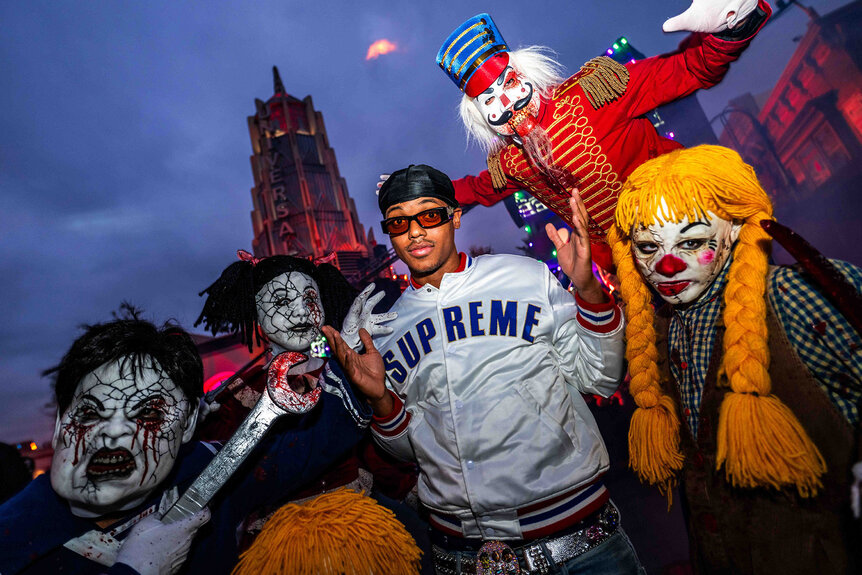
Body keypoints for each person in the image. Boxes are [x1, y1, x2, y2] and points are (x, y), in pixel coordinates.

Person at [325, 164, 641, 574]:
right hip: (463, 552)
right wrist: (381, 400)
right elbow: (410, 451)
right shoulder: (383, 331)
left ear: (455, 217)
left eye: (429, 215)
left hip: (580, 542)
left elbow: (599, 377)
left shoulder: (524, 276)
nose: (415, 231)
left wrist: (588, 291)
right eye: (400, 222)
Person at [607, 145, 862, 574]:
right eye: (649, 247)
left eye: (691, 242)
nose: (667, 265)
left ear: (734, 231)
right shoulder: (662, 331)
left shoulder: (794, 294)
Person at [0, 317, 372, 574]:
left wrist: (354, 377)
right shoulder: (12, 539)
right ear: (62, 421)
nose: (112, 434)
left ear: (188, 424)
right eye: (90, 413)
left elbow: (297, 452)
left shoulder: (205, 473)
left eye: (146, 414)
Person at [433, 0, 772, 268]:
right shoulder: (511, 163)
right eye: (490, 100)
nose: (508, 103)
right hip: (636, 271)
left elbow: (688, 70)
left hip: (695, 224)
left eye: (509, 83)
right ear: (481, 117)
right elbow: (476, 190)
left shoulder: (594, 90)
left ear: (528, 75)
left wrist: (732, 25)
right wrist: (420, 190)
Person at [194, 251, 422, 575]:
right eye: (282, 301)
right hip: (282, 546)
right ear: (259, 318)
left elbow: (373, 453)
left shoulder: (345, 370)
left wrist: (418, 495)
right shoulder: (240, 394)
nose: (301, 311)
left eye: (310, 298)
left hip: (359, 530)